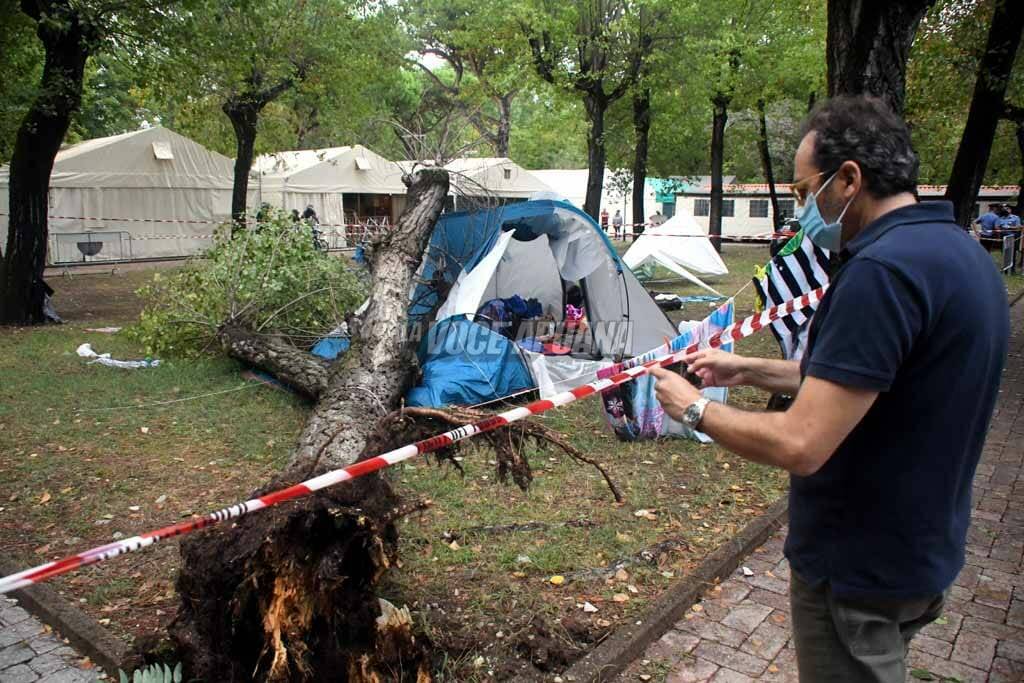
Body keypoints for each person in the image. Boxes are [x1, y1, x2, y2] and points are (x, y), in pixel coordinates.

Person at [650, 95, 1009, 683]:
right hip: (920, 549)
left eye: (802, 190)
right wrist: (748, 369)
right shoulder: (959, 256)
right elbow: (871, 379)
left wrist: (693, 411)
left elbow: (802, 441)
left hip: (857, 568)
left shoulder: (880, 274)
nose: (801, 209)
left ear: (848, 180)